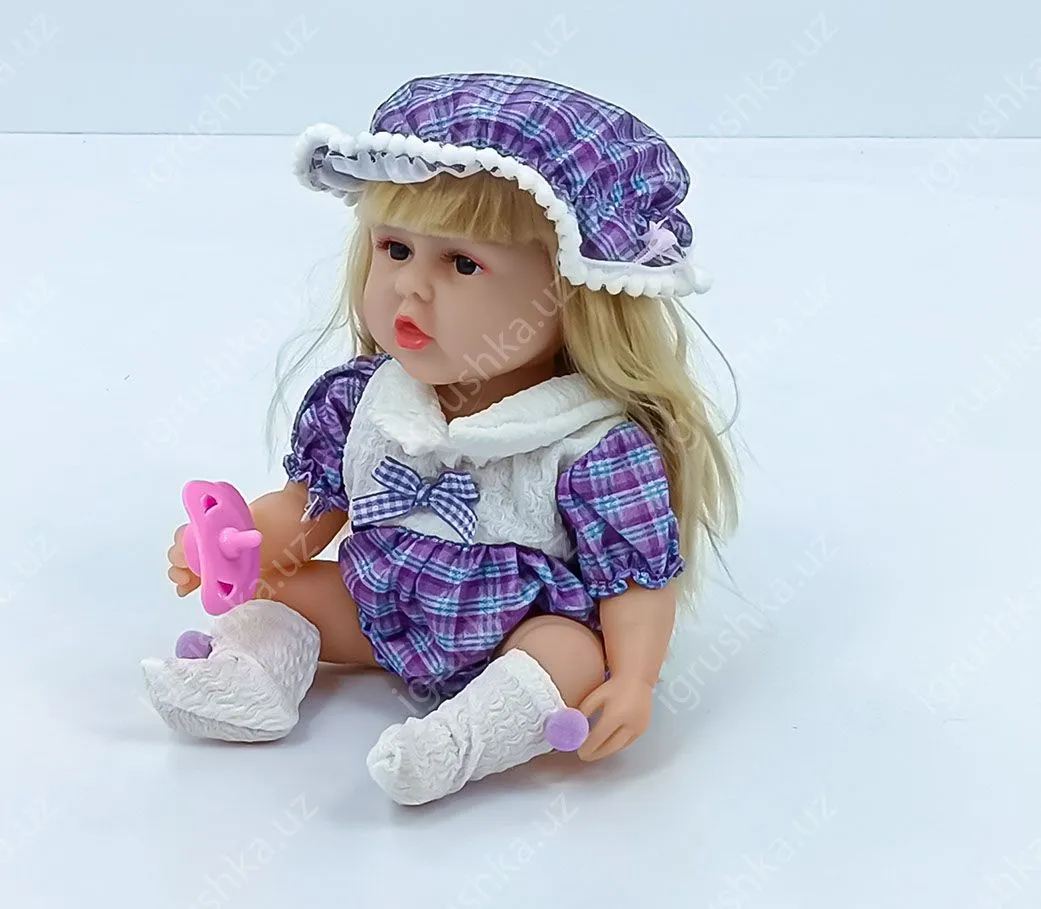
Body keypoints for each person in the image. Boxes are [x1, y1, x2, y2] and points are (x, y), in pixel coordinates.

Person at [142, 72, 740, 805]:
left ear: (572, 293)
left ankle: (459, 741)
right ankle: (249, 678)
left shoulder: (587, 442)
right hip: (378, 609)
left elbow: (634, 580)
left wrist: (636, 679)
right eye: (395, 249)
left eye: (461, 264)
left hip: (517, 628)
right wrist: (238, 544)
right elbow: (307, 510)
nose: (410, 288)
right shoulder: (363, 400)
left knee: (571, 654)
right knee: (284, 589)